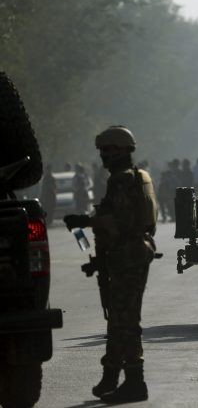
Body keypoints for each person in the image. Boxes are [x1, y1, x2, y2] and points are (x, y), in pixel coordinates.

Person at [63, 126, 157, 403]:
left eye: (107, 151)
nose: (103, 156)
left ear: (120, 151)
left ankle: (134, 382)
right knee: (119, 318)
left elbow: (120, 222)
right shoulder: (137, 177)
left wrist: (85, 222)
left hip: (126, 256)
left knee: (125, 320)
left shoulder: (121, 180)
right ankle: (111, 376)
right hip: (131, 253)